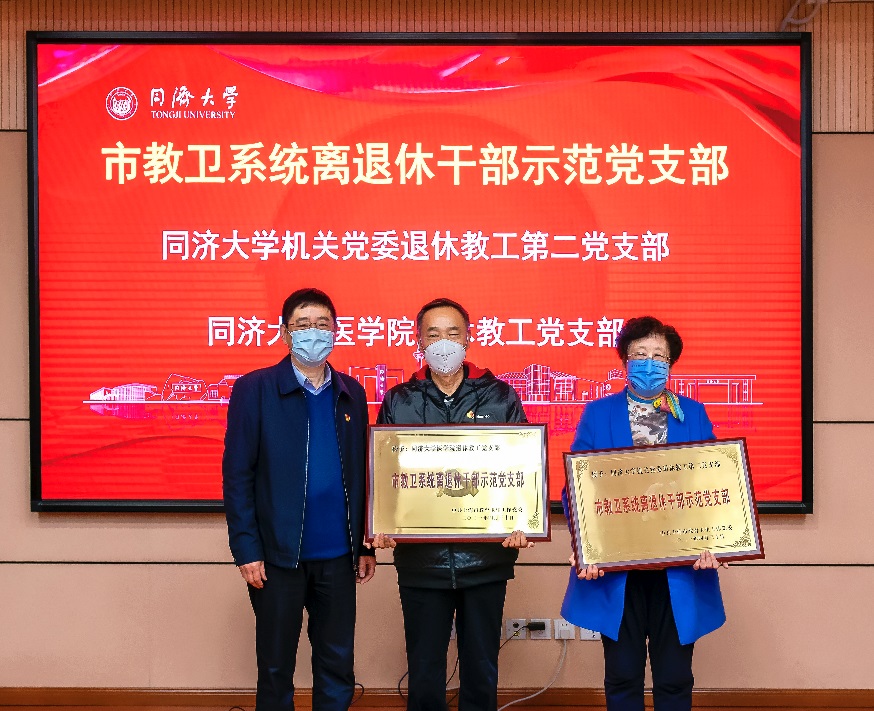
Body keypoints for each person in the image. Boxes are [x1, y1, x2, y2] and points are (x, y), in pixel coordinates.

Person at [370, 297, 533, 711]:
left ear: (469, 338)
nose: (444, 343)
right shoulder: (400, 400)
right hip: (421, 562)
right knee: (424, 668)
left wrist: (525, 521)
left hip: (487, 559)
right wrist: (380, 521)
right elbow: (385, 473)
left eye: (453, 333)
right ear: (419, 342)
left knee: (482, 667)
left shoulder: (499, 396)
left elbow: (522, 471)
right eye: (433, 334)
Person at [561, 316, 727, 711]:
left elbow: (714, 484)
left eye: (659, 356)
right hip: (619, 567)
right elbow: (577, 486)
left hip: (679, 567)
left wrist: (717, 541)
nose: (649, 363)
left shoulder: (693, 413)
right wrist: (587, 545)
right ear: (625, 360)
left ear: (671, 364)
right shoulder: (598, 413)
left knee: (675, 677)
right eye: (640, 354)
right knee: (622, 675)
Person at [222, 287, 375, 711]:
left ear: (335, 331)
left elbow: (363, 473)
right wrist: (247, 549)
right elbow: (237, 476)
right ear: (284, 333)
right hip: (277, 558)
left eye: (322, 324)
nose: (313, 333)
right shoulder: (255, 389)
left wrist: (365, 544)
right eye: (303, 325)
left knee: (337, 663)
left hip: (338, 556)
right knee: (275, 666)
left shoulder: (351, 392)